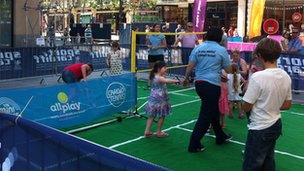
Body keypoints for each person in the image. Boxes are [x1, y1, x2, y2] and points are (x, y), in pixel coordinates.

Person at [242, 38, 292, 171]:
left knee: (252, 164)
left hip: (260, 126)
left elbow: (246, 105)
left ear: (259, 56)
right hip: (275, 123)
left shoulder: (258, 77)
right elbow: (287, 104)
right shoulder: (286, 76)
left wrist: (264, 104)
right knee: (268, 159)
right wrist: (271, 104)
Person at [183, 27, 232, 153]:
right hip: (212, 85)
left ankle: (220, 136)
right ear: (220, 38)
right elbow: (228, 70)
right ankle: (194, 144)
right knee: (206, 115)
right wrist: (234, 67)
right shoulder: (221, 50)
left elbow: (190, 66)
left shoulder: (198, 48)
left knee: (213, 111)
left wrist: (186, 78)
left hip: (199, 84)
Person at [144, 61, 179, 138]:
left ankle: (147, 131)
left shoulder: (153, 75)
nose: (166, 69)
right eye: (164, 68)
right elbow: (167, 81)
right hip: (160, 99)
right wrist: (177, 81)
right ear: (159, 69)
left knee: (151, 115)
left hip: (153, 98)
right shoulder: (159, 78)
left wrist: (164, 75)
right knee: (162, 115)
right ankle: (159, 132)